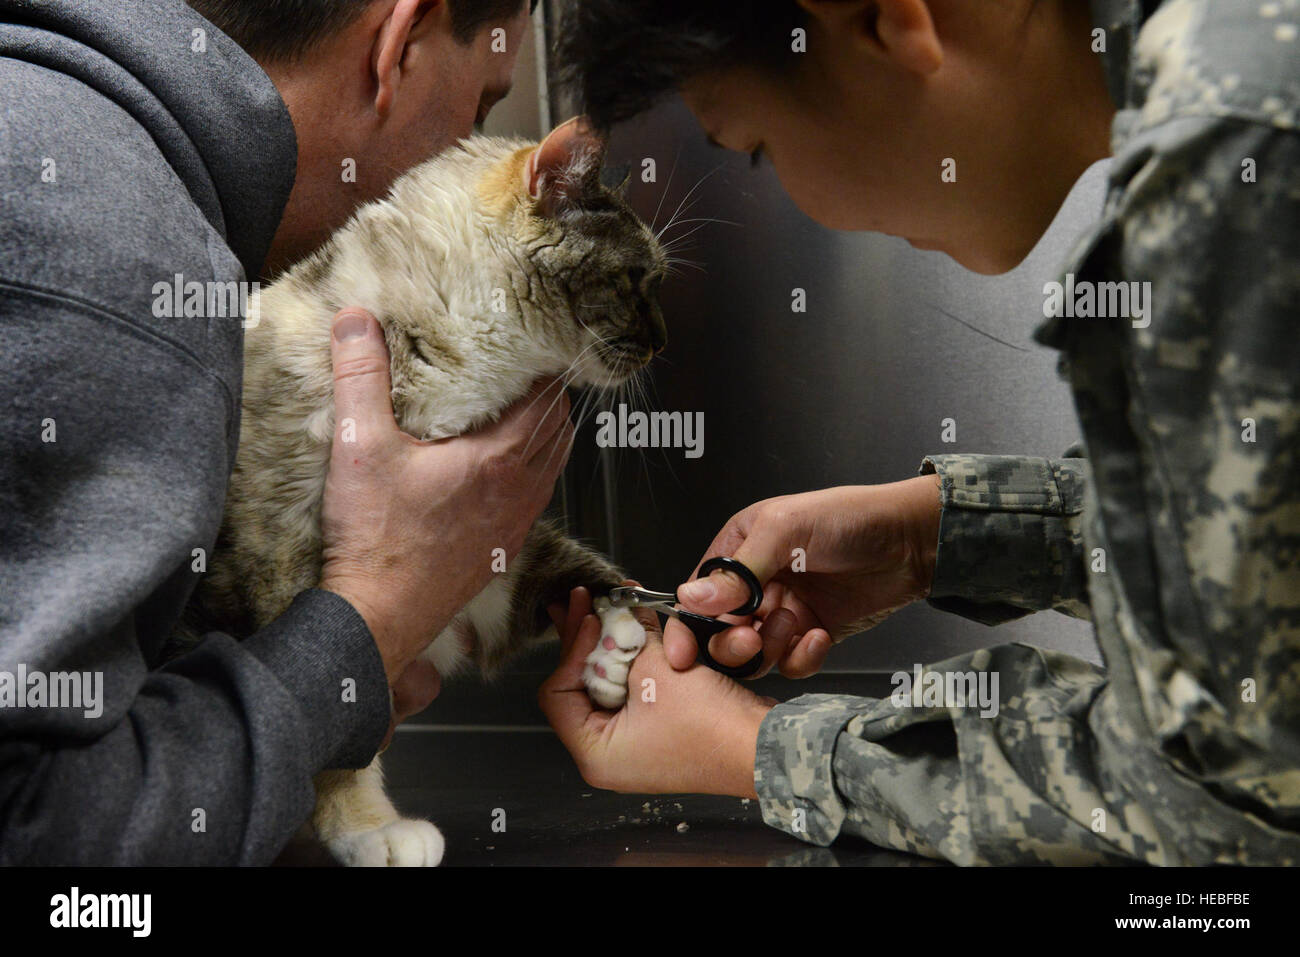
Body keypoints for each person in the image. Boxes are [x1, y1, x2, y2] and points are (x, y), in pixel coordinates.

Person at [540, 0, 1300, 864]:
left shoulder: (1230, 152)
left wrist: (761, 751)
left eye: (758, 147)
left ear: (880, 21)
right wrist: (938, 535)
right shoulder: (1239, 61)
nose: (792, 196)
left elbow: (1226, 807)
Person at [0, 0, 569, 864]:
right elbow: (52, 840)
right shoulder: (123, 257)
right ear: (401, 43)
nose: (478, 150)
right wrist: (375, 618)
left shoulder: (51, 131)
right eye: (481, 109)